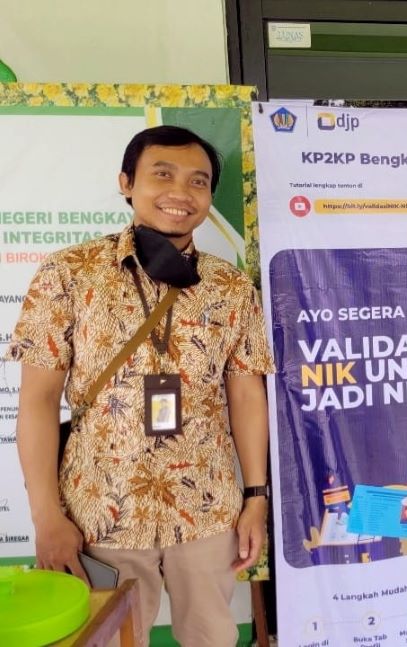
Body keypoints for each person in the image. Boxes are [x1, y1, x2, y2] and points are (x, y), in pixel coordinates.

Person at [8, 125, 274, 646]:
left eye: (198, 181)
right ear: (127, 183)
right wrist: (46, 517)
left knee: (212, 637)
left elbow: (246, 394)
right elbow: (37, 400)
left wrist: (256, 498)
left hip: (207, 508)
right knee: (111, 638)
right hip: (101, 509)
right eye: (163, 174)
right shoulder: (70, 273)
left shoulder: (231, 286)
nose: (181, 192)